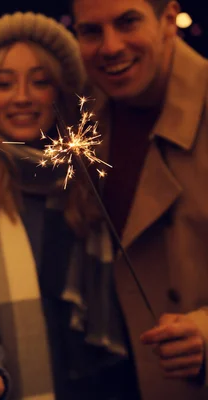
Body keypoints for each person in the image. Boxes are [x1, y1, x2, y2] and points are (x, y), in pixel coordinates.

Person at [0, 12, 139, 400]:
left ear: (60, 93)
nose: (23, 97)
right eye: (4, 83)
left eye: (40, 82)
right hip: (11, 385)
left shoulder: (90, 176)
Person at [69, 0, 208, 399]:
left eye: (128, 22)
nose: (110, 47)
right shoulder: (87, 113)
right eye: (92, 31)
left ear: (168, 21)